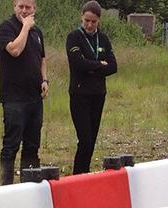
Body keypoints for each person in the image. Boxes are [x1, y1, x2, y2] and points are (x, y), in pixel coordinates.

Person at [0, 0, 49, 184]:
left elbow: (42, 58)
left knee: (32, 145)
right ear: (14, 6)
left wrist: (44, 79)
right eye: (21, 7)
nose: (24, 11)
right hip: (14, 98)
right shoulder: (6, 28)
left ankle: (29, 185)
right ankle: (6, 187)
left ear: (34, 8)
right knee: (11, 145)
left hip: (34, 97)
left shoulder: (38, 32)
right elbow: (15, 50)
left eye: (28, 7)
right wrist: (25, 27)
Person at [66, 1, 118, 174]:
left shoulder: (103, 39)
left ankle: (85, 173)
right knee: (85, 139)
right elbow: (77, 63)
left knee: (92, 139)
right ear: (82, 17)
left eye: (93, 21)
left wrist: (92, 66)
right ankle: (78, 175)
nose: (89, 24)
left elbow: (112, 66)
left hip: (98, 94)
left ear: (99, 21)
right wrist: (98, 65)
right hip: (79, 94)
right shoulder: (74, 37)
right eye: (86, 20)